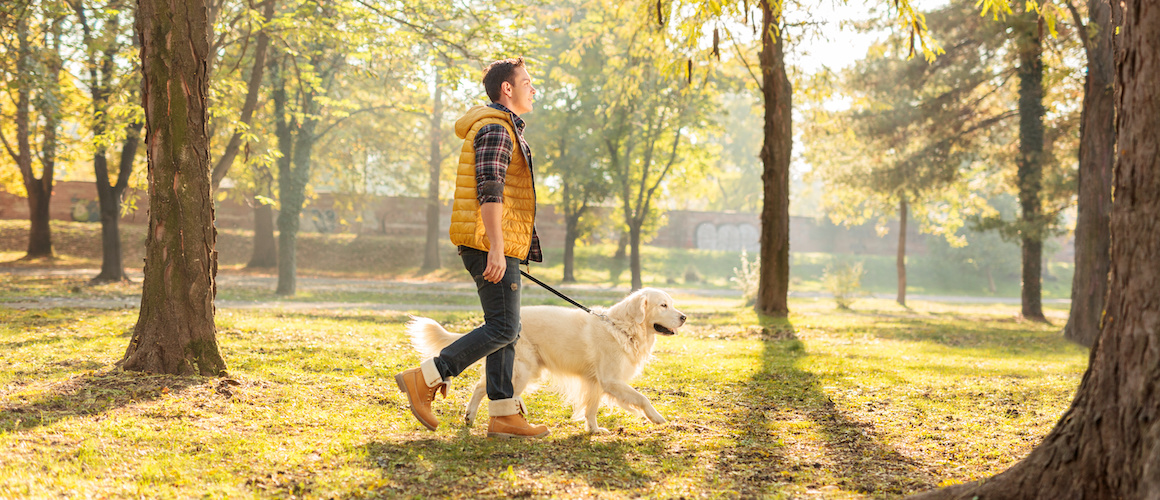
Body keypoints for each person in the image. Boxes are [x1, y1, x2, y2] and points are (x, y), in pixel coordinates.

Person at [395, 57, 549, 439]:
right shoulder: (497, 128)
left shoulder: (504, 127)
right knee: (504, 327)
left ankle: (502, 414)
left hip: (497, 244)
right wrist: (497, 247)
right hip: (487, 244)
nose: (534, 88)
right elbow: (490, 188)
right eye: (527, 82)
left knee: (507, 331)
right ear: (507, 89)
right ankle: (426, 377)